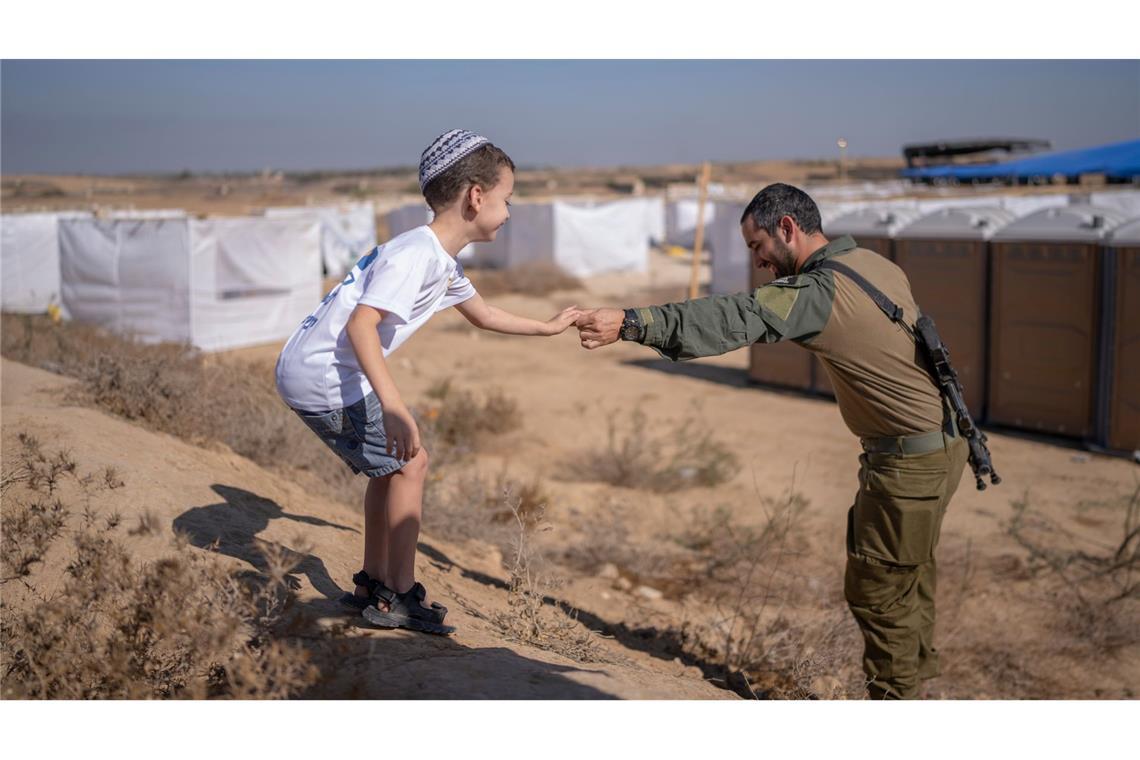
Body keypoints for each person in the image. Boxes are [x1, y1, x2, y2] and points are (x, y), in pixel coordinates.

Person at [576, 183, 968, 699]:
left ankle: (895, 702)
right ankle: (914, 687)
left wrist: (631, 323)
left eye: (757, 246)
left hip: (908, 461)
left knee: (880, 591)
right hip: (942, 447)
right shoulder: (876, 266)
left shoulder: (820, 293)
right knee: (909, 576)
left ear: (787, 228)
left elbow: (734, 318)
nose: (758, 261)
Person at [275, 129, 581, 635]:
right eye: (507, 199)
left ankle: (375, 584)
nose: (508, 212)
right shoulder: (416, 254)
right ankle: (396, 593)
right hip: (323, 376)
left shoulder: (439, 259)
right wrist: (394, 405)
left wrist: (547, 326)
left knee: (391, 468)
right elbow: (361, 325)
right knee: (411, 461)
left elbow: (482, 314)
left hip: (317, 370)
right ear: (476, 197)